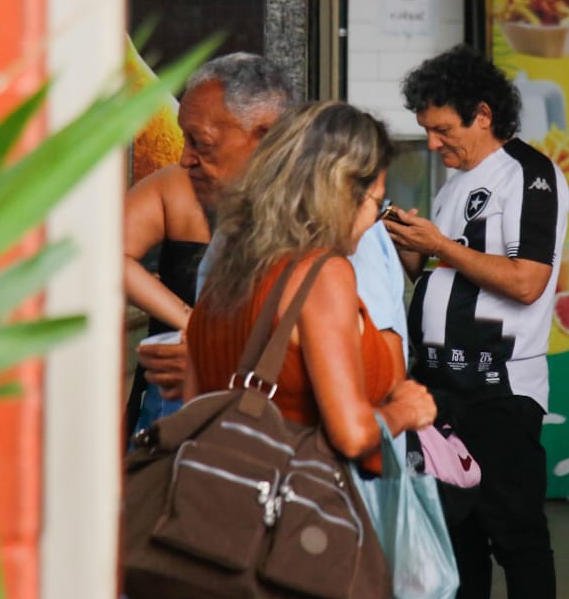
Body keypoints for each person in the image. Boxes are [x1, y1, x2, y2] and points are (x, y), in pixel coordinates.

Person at [385, 45, 568, 599]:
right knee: (456, 534)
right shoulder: (456, 182)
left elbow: (527, 281)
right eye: (427, 131)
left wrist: (439, 245)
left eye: (442, 130)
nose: (433, 145)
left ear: (483, 115)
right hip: (441, 385)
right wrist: (405, 240)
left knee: (515, 533)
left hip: (498, 386)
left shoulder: (528, 174)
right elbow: (438, 272)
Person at [183, 101, 436, 471]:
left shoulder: (225, 265)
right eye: (376, 201)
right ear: (344, 192)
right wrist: (406, 410)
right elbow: (352, 436)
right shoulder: (322, 274)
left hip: (223, 491)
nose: (373, 219)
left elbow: (193, 408)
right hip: (301, 497)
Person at [122, 52, 292, 441]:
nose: (186, 158)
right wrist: (189, 321)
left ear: (264, 135)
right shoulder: (177, 185)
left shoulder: (322, 210)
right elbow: (107, 254)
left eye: (202, 143)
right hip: (173, 407)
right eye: (184, 137)